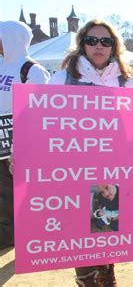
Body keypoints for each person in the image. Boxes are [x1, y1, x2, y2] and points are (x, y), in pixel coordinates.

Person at [49, 19, 133, 287]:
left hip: (110, 165)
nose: (98, 46)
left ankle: (107, 272)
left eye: (105, 41)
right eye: (92, 40)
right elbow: (38, 118)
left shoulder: (126, 82)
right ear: (82, 44)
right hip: (72, 165)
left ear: (114, 47)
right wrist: (20, 151)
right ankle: (86, 278)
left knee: (105, 222)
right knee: (78, 226)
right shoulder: (63, 78)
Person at [0, 20, 50, 250]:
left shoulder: (31, 70)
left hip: (20, 144)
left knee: (18, 194)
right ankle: (7, 233)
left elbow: (41, 109)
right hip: (0, 144)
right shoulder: (1, 65)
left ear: (11, 38)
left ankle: (15, 236)